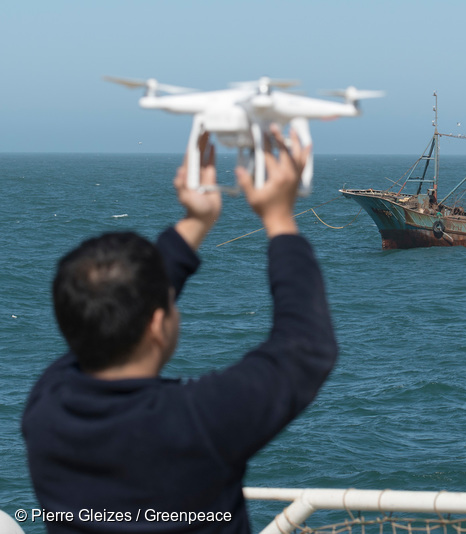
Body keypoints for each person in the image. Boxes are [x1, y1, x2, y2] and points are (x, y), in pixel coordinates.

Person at [22, 127, 338, 533]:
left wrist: (198, 219)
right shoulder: (197, 423)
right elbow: (306, 348)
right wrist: (278, 218)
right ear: (157, 323)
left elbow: (110, 315)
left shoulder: (46, 408)